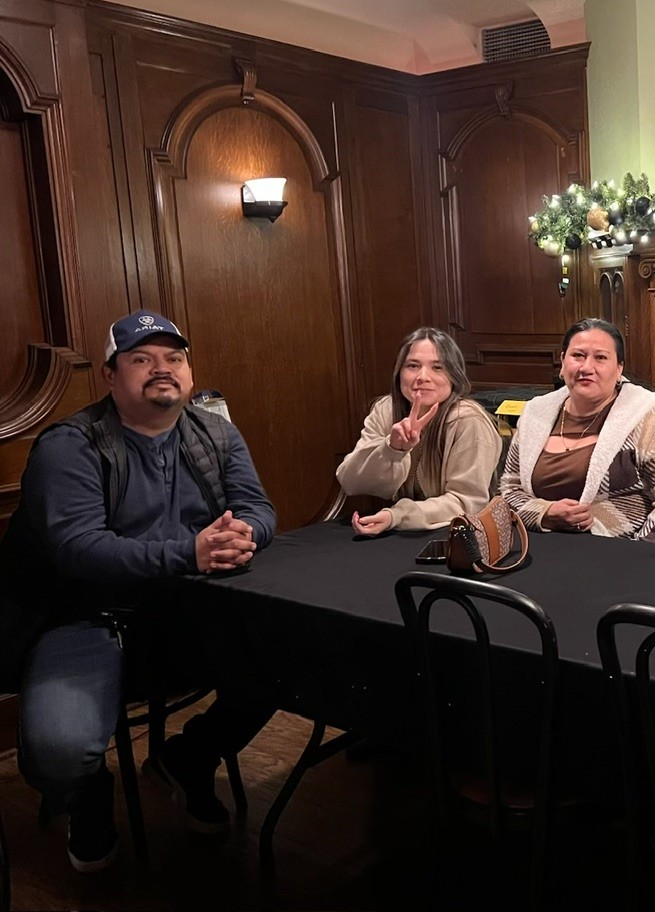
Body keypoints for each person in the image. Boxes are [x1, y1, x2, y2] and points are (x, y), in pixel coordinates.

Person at [0, 310, 277, 873]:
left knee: (287, 664)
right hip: (89, 617)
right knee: (60, 753)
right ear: (110, 375)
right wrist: (191, 552)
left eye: (173, 358)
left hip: (193, 609)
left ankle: (186, 759)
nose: (161, 369)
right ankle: (88, 794)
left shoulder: (216, 432)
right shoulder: (69, 446)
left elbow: (257, 506)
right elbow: (80, 549)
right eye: (140, 359)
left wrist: (245, 533)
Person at [499, 318, 655, 543]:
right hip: (539, 545)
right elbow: (509, 489)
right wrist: (544, 513)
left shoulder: (651, 416)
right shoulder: (535, 413)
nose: (586, 368)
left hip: (628, 551)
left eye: (600, 358)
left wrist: (633, 557)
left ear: (619, 368)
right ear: (563, 362)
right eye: (578, 356)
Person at [336, 327, 501, 534]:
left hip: (456, 534)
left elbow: (467, 503)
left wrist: (398, 515)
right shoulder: (385, 410)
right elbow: (351, 482)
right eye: (413, 366)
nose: (423, 377)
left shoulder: (469, 421)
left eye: (437, 367)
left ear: (454, 375)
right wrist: (392, 449)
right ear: (399, 372)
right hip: (395, 530)